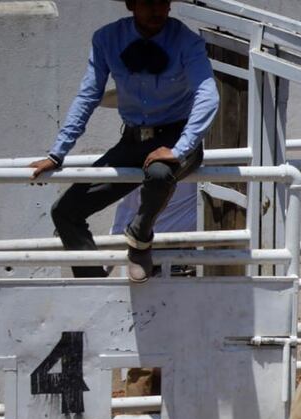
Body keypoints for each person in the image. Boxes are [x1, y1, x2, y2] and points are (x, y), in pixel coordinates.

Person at [30, 0, 219, 282]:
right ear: (131, 4)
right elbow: (88, 96)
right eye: (148, 2)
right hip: (132, 141)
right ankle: (94, 285)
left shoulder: (187, 41)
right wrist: (57, 153)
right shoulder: (107, 39)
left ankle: (140, 239)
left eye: (164, 2)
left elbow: (208, 95)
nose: (158, 10)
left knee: (158, 174)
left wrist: (179, 149)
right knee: (65, 211)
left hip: (178, 138)